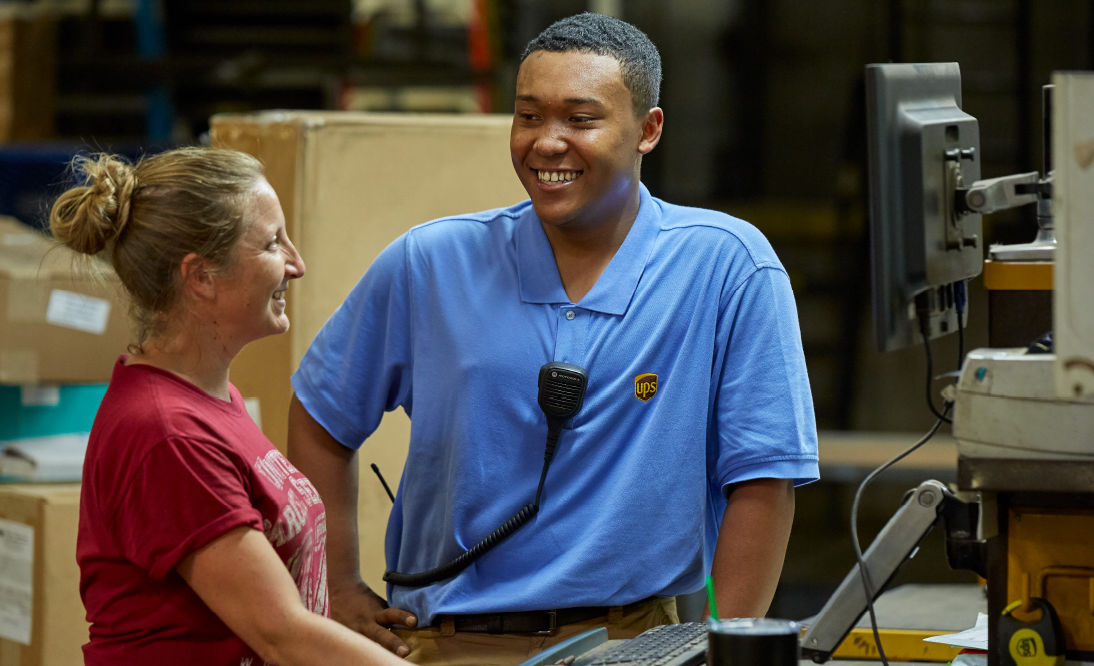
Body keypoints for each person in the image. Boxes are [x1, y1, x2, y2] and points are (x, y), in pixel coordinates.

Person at [287, 12, 819, 666]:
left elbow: (764, 477)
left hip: (635, 644)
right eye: (529, 116)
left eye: (580, 118)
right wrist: (337, 586)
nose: (546, 142)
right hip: (440, 642)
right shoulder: (431, 262)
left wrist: (725, 648)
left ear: (648, 130)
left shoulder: (726, 268)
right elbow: (321, 413)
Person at [50, 147, 411, 666]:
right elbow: (281, 633)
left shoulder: (210, 398)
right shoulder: (168, 435)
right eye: (272, 243)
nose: (296, 263)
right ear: (200, 277)